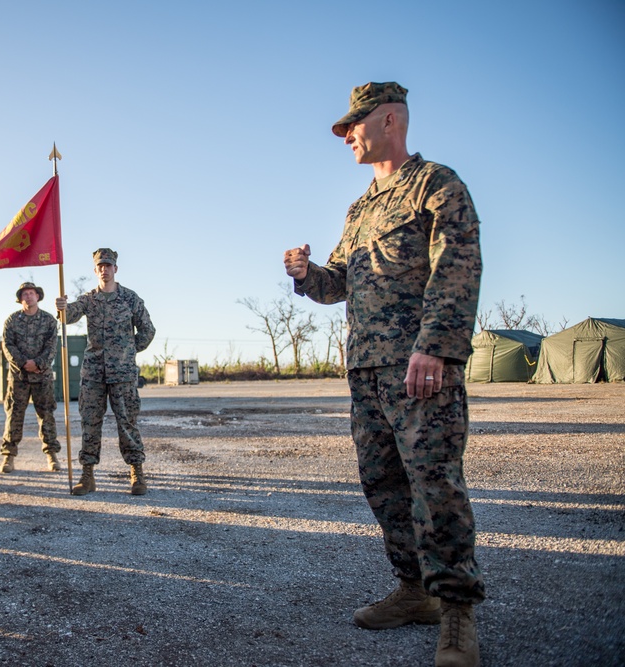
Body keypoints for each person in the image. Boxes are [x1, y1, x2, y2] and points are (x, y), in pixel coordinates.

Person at [283, 82, 484, 667]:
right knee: (383, 485)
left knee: (434, 484)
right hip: (366, 371)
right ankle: (414, 590)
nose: (347, 136)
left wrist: (437, 349)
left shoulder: (436, 186)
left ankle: (458, 614)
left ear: (390, 118)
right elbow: (338, 283)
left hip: (419, 368)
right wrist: (306, 272)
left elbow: (458, 269)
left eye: (355, 124)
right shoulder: (361, 208)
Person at [55, 248, 155, 496]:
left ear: (115, 269)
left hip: (123, 374)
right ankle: (87, 476)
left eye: (108, 265)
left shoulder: (130, 299)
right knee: (90, 424)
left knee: (127, 423)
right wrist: (62, 308)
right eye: (100, 266)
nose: (105, 269)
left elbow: (148, 330)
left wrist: (128, 353)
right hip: (93, 375)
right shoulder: (89, 299)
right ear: (96, 270)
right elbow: (69, 317)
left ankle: (137, 474)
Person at [0, 282, 61, 473]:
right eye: (24, 294)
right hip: (19, 376)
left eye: (31, 293)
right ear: (20, 298)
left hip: (42, 377)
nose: (28, 296)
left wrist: (38, 364)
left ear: (38, 296)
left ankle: (51, 454)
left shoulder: (49, 320)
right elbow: (7, 345)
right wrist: (23, 363)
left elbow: (52, 347)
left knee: (46, 415)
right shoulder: (12, 321)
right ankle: (8, 456)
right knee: (14, 415)